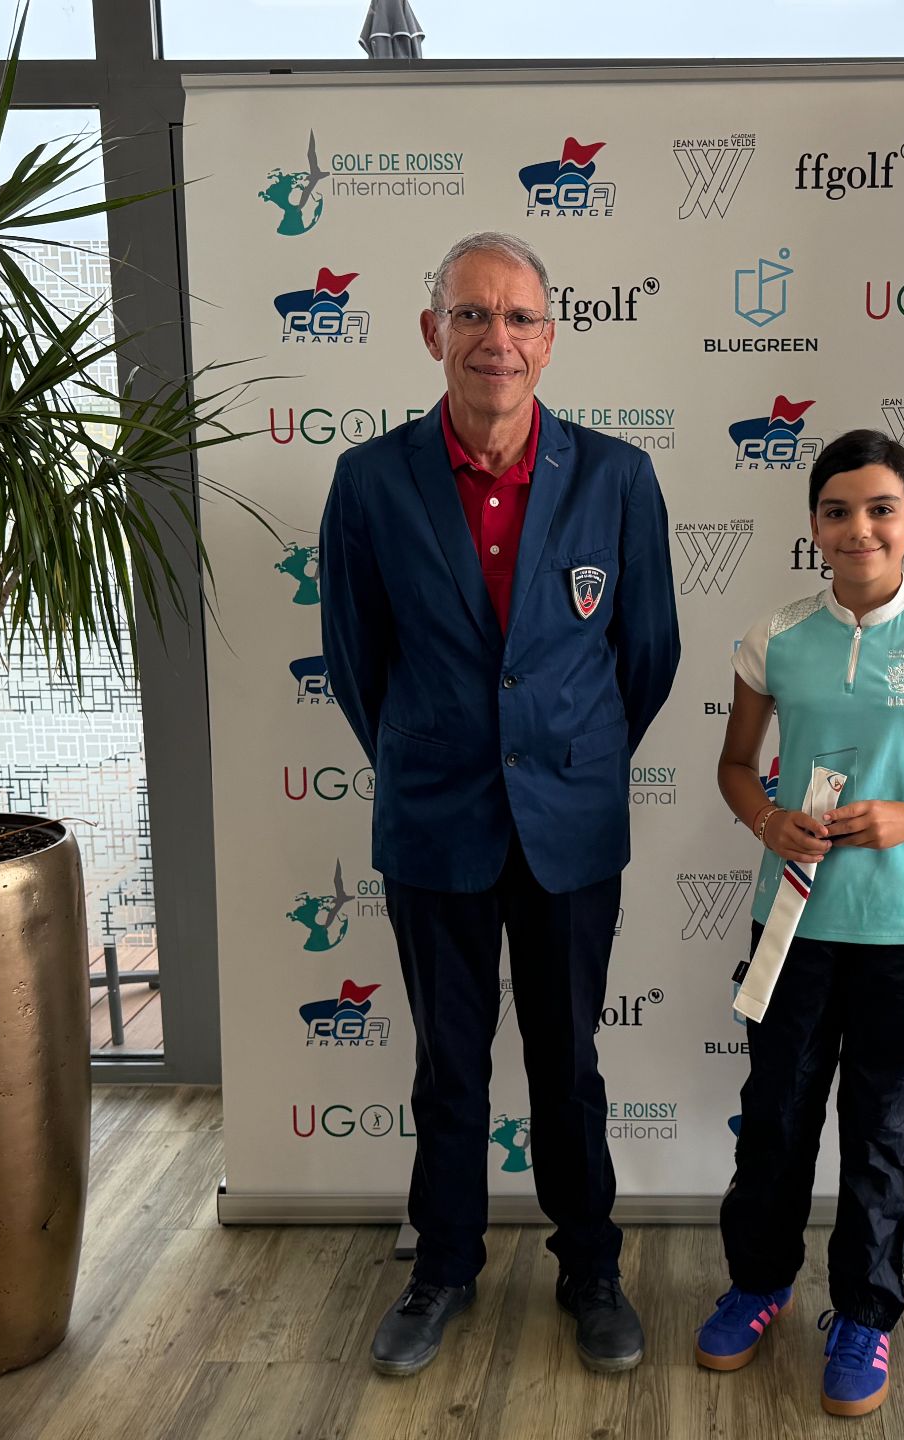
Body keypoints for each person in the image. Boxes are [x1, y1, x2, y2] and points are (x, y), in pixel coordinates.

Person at [319, 231, 680, 1378]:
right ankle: (442, 1269)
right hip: (435, 821)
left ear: (550, 339)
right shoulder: (370, 482)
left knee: (567, 1061)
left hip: (571, 824)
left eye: (519, 317)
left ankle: (591, 1270)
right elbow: (355, 663)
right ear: (433, 331)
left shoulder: (617, 478)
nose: (497, 338)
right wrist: (436, 755)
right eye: (472, 314)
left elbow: (649, 656)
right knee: (449, 1065)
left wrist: (562, 756)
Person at [697, 430, 904, 1418]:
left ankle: (862, 1316)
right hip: (794, 921)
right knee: (776, 1119)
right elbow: (734, 765)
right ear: (814, 525)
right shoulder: (775, 637)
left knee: (883, 1129)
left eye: (882, 509)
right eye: (838, 511)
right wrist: (768, 820)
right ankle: (759, 1284)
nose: (860, 529)